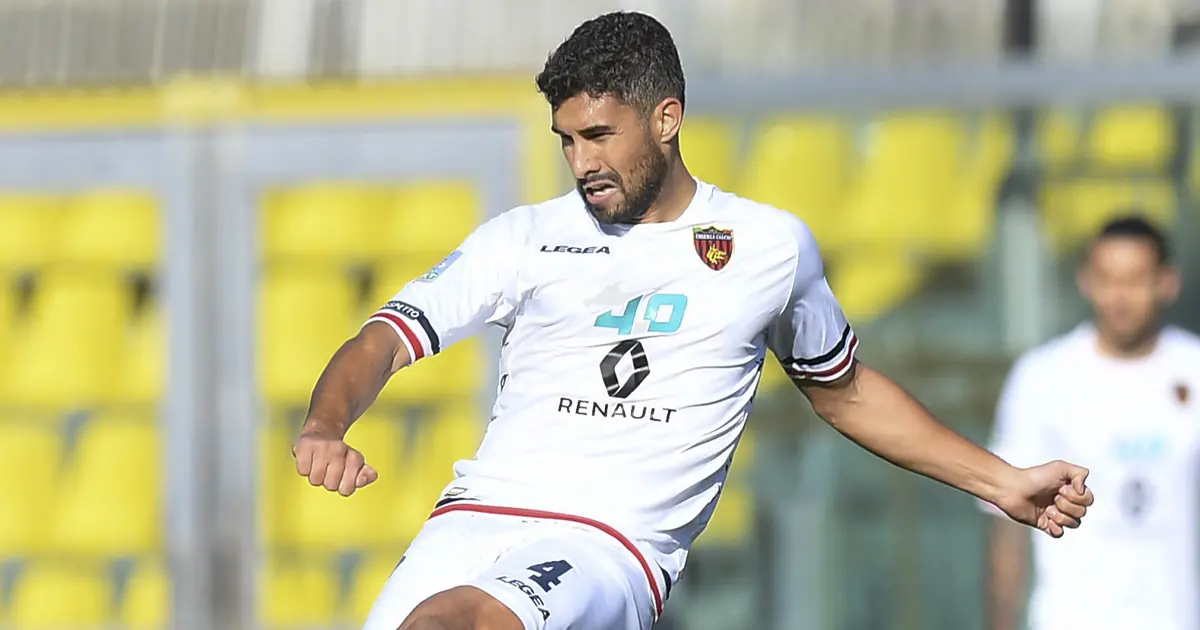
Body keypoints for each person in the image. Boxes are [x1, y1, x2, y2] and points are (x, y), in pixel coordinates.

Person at [293, 11, 1095, 630]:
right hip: (471, 521)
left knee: (453, 624)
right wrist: (326, 425)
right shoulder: (525, 237)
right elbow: (383, 339)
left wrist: (1004, 481)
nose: (582, 164)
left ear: (666, 118)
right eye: (566, 141)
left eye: (599, 136)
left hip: (606, 544)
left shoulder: (766, 247)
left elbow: (845, 393)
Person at [985, 216, 1199, 630]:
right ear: (1086, 280)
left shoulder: (1194, 369)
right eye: (1107, 279)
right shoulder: (1042, 376)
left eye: (1135, 279)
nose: (1120, 296)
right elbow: (1006, 520)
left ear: (1167, 282)